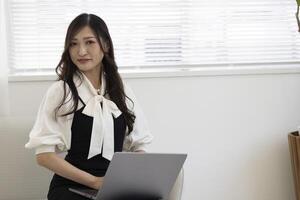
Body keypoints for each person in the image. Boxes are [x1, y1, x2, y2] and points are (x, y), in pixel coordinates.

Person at [25, 13, 153, 200]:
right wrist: (95, 182)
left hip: (113, 186)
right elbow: (44, 156)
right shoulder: (61, 91)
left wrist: (130, 179)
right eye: (73, 44)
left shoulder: (121, 89)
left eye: (89, 42)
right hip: (70, 187)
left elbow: (138, 145)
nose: (81, 51)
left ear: (106, 45)